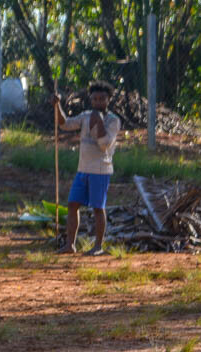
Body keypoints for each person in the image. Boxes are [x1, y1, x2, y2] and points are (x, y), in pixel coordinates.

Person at [52, 81, 121, 255]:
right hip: (83, 169)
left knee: (98, 208)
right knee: (72, 204)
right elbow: (64, 124)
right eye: (95, 98)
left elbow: (105, 144)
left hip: (100, 170)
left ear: (108, 100)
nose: (98, 102)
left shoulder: (113, 121)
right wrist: (57, 105)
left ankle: (98, 246)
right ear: (91, 99)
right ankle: (70, 245)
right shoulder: (85, 116)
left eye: (102, 99)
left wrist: (97, 123)